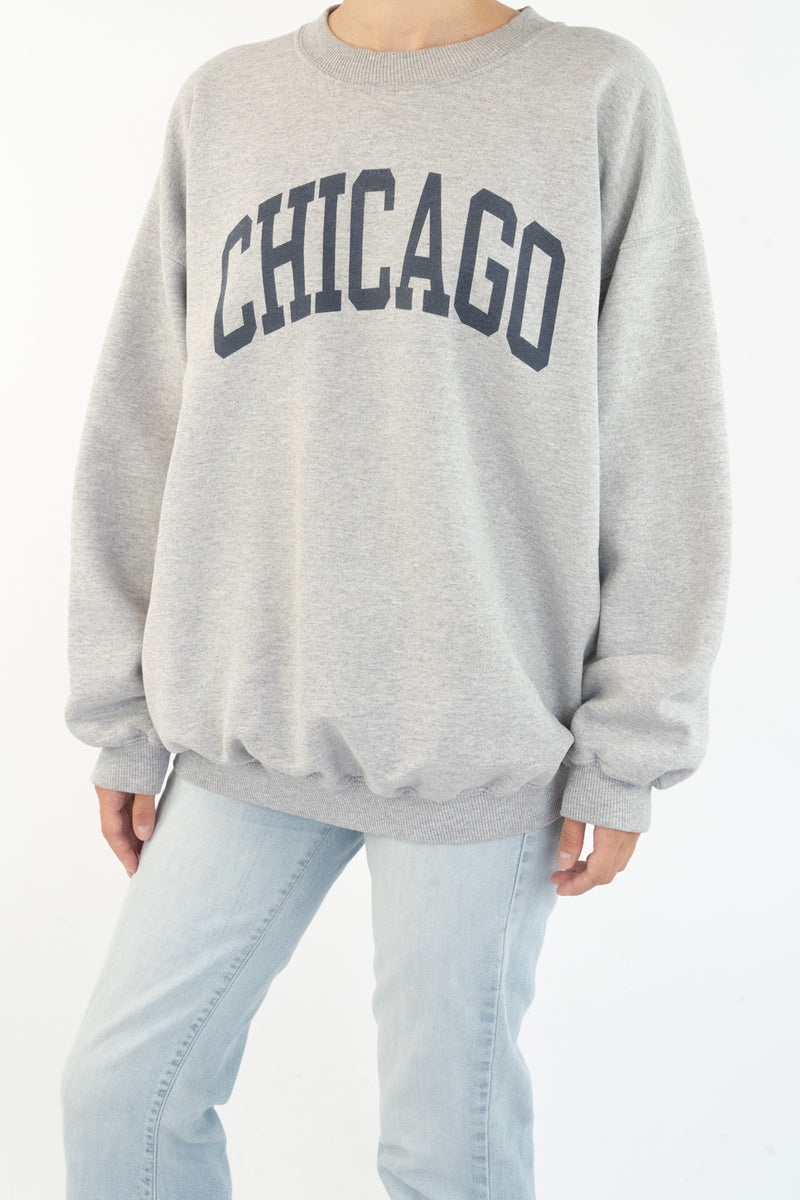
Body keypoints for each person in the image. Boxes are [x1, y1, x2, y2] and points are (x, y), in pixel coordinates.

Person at [59, 1, 732, 1197]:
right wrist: (122, 715)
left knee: (439, 1154)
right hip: (243, 726)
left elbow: (659, 435)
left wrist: (630, 742)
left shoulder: (592, 92)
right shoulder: (229, 101)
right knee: (124, 1091)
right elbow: (142, 415)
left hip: (481, 742)